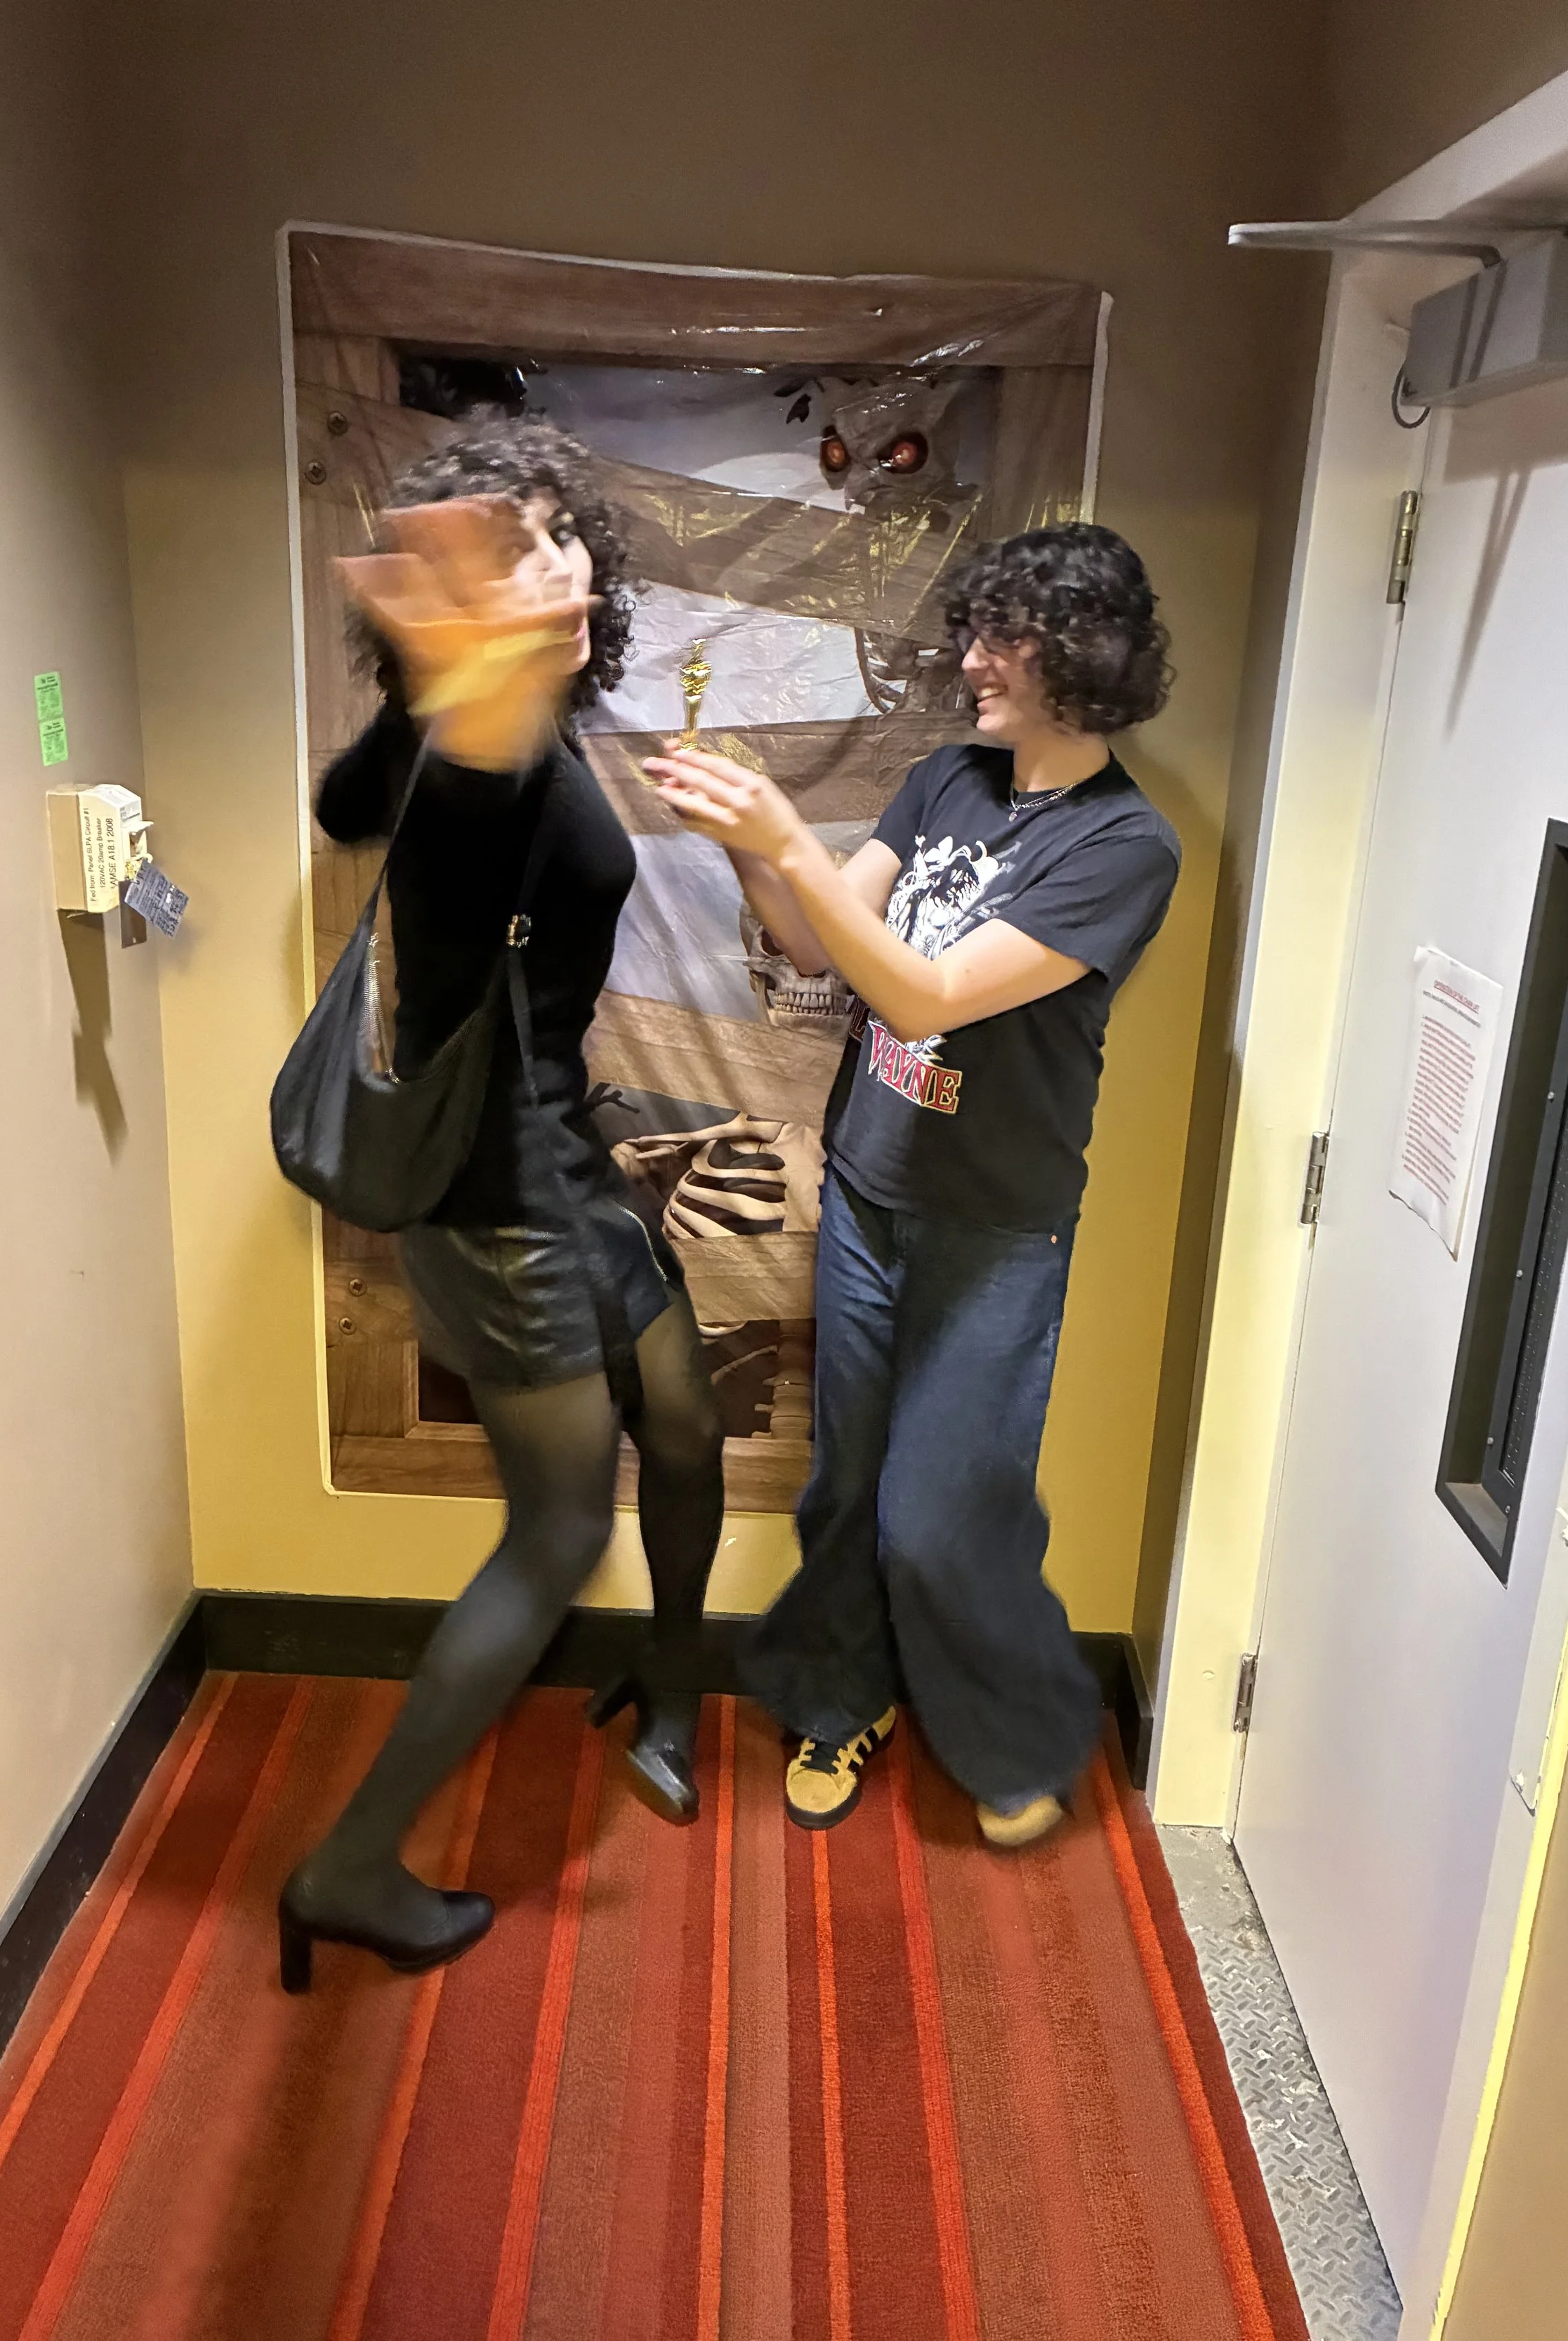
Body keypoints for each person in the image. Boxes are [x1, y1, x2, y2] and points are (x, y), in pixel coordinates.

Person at [645, 522, 1178, 1846]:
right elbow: (813, 949)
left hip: (994, 1233)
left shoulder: (1126, 848)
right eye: (976, 630)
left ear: (1076, 657)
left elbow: (924, 991)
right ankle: (840, 1699)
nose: (971, 659)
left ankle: (1012, 1735)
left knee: (946, 1517)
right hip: (872, 1198)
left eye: (1001, 637)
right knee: (845, 1488)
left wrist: (790, 833)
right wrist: (743, 842)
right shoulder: (948, 779)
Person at [279, 423, 724, 1992]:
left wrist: (449, 677)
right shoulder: (488, 747)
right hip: (507, 1205)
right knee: (549, 1534)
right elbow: (413, 804)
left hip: (560, 1168)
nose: (561, 563)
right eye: (522, 545)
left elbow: (343, 804)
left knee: (680, 1422)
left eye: (562, 536)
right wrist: (458, 681)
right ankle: (347, 1862)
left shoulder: (501, 718)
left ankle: (669, 1691)